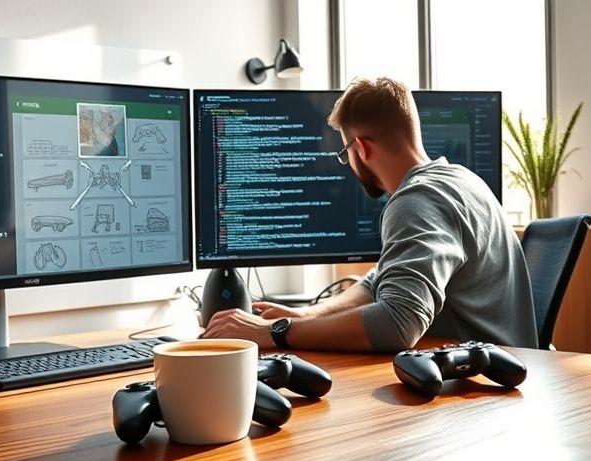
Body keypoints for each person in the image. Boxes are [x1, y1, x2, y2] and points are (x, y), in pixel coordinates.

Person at [201, 77, 538, 352]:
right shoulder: (462, 180)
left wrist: (275, 334)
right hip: (500, 379)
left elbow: (398, 322)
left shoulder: (416, 200)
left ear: (360, 147)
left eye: (345, 153)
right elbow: (379, 280)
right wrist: (305, 316)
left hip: (479, 394)